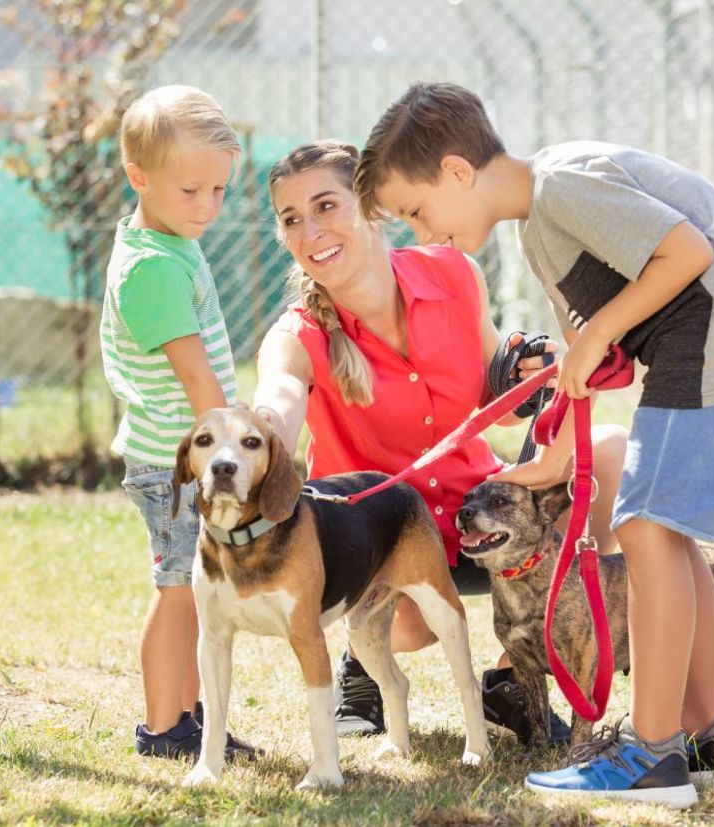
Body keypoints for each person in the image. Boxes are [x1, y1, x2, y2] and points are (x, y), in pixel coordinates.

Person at [353, 82, 714, 808]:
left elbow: (687, 252)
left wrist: (600, 333)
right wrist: (564, 418)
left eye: (416, 211)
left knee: (644, 529)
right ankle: (705, 737)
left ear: (455, 172)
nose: (423, 234)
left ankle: (652, 753)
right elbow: (601, 352)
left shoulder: (562, 185)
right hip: (700, 344)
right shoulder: (537, 225)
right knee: (665, 534)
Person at [251, 140, 627, 745]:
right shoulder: (297, 336)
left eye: (326, 206)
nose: (309, 230)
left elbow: (496, 395)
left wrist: (523, 374)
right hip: (387, 542)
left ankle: (513, 676)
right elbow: (280, 396)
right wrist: (263, 426)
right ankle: (363, 666)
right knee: (411, 629)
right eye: (292, 219)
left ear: (371, 206)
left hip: (479, 511)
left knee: (608, 450)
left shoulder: (453, 273)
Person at [100, 85, 258, 760]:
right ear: (140, 177)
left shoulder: (165, 239)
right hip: (175, 464)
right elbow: (196, 377)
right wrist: (236, 448)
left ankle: (193, 719)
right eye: (192, 190)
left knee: (197, 590)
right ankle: (165, 725)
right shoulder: (153, 269)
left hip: (187, 454)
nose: (208, 207)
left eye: (219, 190)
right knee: (178, 589)